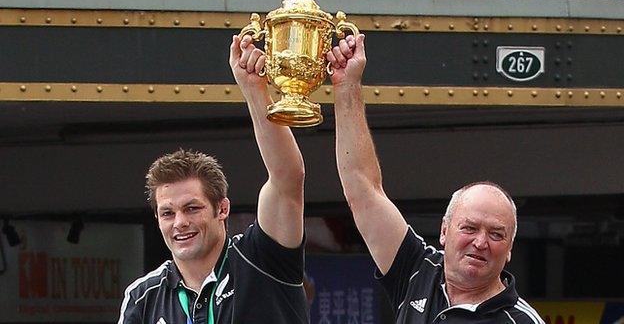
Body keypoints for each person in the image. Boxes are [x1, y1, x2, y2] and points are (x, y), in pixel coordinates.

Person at [326, 34, 545, 324]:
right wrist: (347, 86)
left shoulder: (522, 321)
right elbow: (363, 190)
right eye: (469, 227)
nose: (480, 242)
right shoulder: (418, 270)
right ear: (444, 231)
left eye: (496, 234)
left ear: (509, 250)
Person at [117, 34, 309, 324]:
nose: (180, 222)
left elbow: (287, 178)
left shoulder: (260, 260)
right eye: (167, 213)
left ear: (222, 209)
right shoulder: (143, 297)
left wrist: (255, 91)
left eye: (192, 208)